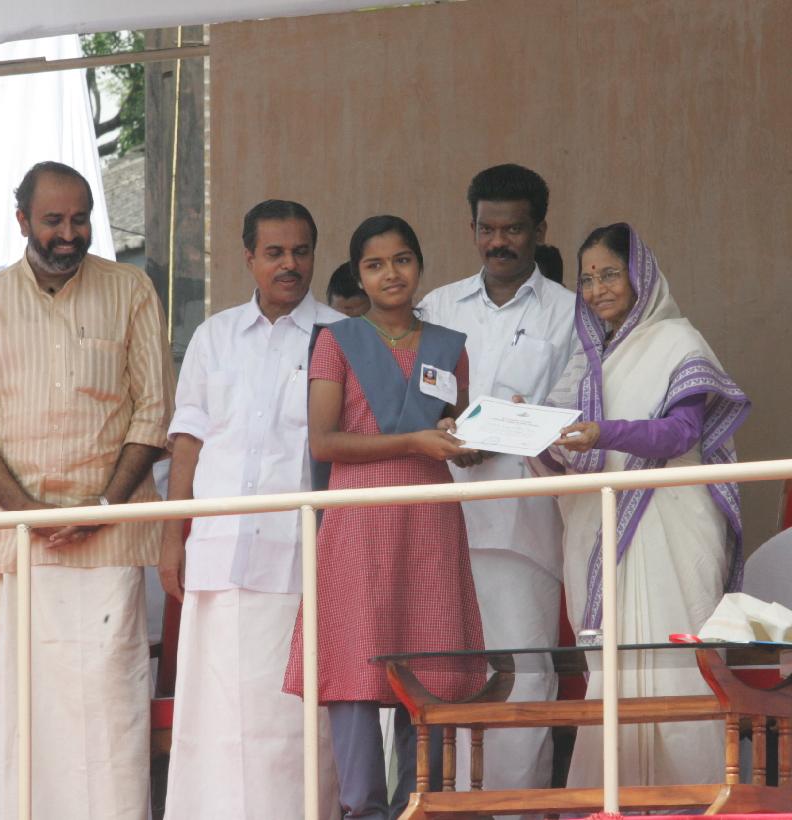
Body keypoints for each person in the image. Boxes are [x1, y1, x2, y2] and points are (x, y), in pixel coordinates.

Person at [0, 161, 174, 819]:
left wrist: (101, 508)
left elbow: (153, 413)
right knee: (22, 713)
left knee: (107, 709)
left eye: (80, 219)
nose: (69, 233)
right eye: (53, 220)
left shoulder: (130, 289)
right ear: (22, 220)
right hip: (18, 545)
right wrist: (29, 514)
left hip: (110, 541)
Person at [534, 222, 750, 786]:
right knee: (616, 666)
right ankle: (619, 795)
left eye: (610, 274)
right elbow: (566, 446)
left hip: (671, 522)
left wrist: (603, 432)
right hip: (605, 527)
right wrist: (528, 429)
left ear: (640, 276)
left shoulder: (678, 341)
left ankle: (694, 796)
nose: (597, 289)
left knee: (677, 662)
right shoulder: (588, 360)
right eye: (586, 279)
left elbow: (681, 434)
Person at [284, 215, 485, 820]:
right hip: (359, 519)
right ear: (359, 275)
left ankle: (419, 805)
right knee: (355, 667)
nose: (390, 274)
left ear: (419, 264)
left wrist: (475, 438)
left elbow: (454, 432)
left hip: (429, 520)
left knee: (428, 663)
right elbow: (324, 441)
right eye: (374, 265)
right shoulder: (337, 341)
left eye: (401, 260)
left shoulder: (448, 345)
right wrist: (414, 442)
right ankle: (362, 809)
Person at [159, 199, 342, 819]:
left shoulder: (340, 337)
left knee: (290, 726)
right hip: (217, 555)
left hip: (299, 560)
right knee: (212, 720)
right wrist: (173, 537)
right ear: (248, 258)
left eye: (300, 252)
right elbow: (188, 440)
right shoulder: (214, 336)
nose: (289, 264)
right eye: (274, 252)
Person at [418, 164, 578, 797]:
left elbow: (574, 411)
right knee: (445, 675)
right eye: (487, 229)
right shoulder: (438, 306)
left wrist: (505, 429)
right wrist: (443, 428)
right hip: (443, 520)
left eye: (513, 229)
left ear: (540, 229)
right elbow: (417, 397)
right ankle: (450, 806)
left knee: (525, 678)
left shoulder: (570, 313)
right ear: (472, 229)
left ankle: (517, 809)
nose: (498, 242)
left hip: (523, 527)